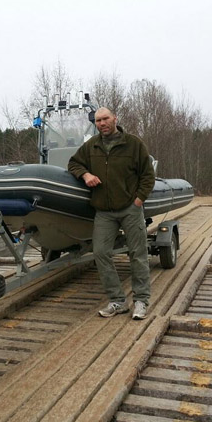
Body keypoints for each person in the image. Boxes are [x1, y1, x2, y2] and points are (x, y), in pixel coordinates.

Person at [68, 107, 155, 319]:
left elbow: (147, 175)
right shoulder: (91, 146)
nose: (102, 123)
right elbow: (73, 163)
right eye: (98, 120)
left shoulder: (133, 144)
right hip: (104, 212)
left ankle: (141, 300)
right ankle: (117, 301)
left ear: (115, 119)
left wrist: (138, 201)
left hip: (130, 209)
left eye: (105, 119)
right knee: (100, 253)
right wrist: (86, 174)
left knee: (138, 254)